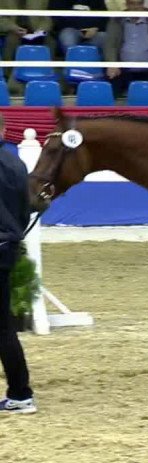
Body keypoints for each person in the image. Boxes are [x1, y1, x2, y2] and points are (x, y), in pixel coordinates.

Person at [0, 114, 36, 415]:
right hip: (7, 248)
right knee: (3, 327)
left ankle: (22, 393)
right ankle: (20, 392)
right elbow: (24, 212)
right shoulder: (16, 165)